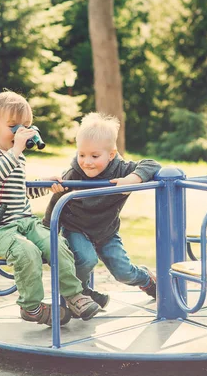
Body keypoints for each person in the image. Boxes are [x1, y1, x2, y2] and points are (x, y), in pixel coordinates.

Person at [0, 90, 100, 326]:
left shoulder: (18, 158)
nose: (21, 132)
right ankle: (31, 307)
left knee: (56, 243)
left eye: (26, 126)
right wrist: (15, 151)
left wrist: (44, 185)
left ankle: (74, 295)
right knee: (26, 252)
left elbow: (20, 190)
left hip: (24, 222)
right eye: (13, 126)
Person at [43, 112, 161, 309]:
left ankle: (147, 280)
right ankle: (78, 294)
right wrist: (47, 234)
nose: (87, 161)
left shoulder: (121, 170)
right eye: (81, 155)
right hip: (76, 229)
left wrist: (132, 180)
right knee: (86, 260)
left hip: (106, 231)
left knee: (123, 272)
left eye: (94, 156)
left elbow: (152, 164)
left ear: (111, 154)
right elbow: (56, 203)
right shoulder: (73, 175)